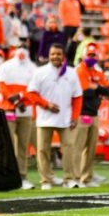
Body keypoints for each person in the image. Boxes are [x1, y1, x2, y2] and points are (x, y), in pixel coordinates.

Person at [27, 43, 83, 190]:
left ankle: (69, 178)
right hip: (44, 118)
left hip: (66, 119)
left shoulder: (71, 72)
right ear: (49, 55)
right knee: (42, 150)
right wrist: (46, 105)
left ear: (63, 55)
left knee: (69, 148)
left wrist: (75, 116)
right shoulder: (40, 72)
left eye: (58, 54)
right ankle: (46, 180)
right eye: (53, 54)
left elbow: (77, 97)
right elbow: (31, 93)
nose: (55, 57)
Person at [0, 43, 37, 189]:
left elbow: (35, 89)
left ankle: (22, 176)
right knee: (8, 145)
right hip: (9, 109)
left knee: (23, 145)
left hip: (25, 110)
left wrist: (20, 98)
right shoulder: (6, 66)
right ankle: (8, 175)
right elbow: (1, 86)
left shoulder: (32, 68)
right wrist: (14, 99)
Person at [73, 44, 109, 188]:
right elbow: (84, 92)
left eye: (93, 55)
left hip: (94, 113)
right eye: (89, 55)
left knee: (91, 148)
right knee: (78, 147)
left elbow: (108, 90)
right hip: (81, 113)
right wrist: (97, 89)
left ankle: (87, 177)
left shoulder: (97, 71)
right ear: (84, 56)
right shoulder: (80, 70)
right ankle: (76, 177)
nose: (91, 58)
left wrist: (95, 87)